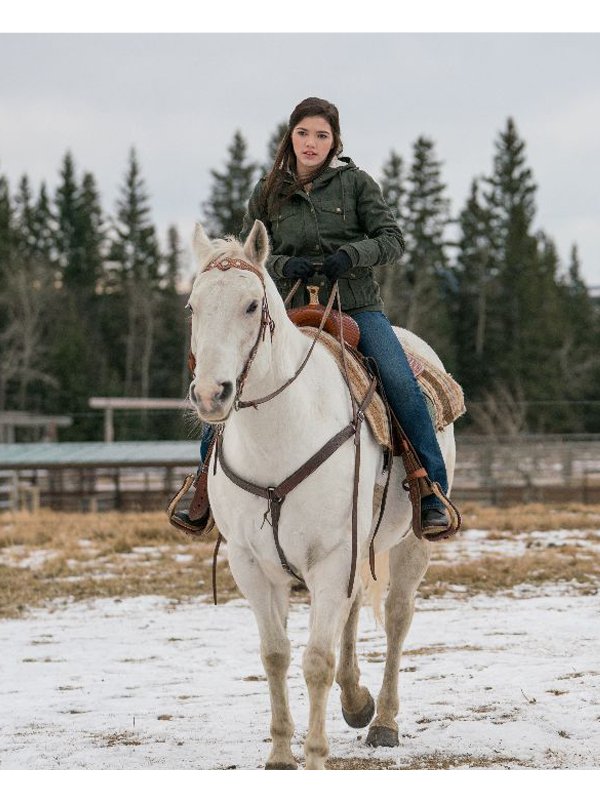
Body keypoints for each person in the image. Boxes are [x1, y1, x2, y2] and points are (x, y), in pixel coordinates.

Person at [172, 96, 451, 536]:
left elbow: (393, 240)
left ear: (334, 141)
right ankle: (203, 487)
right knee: (228, 377)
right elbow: (250, 256)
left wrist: (352, 254)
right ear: (291, 137)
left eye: (322, 135)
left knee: (399, 381)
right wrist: (282, 266)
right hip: (287, 309)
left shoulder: (357, 184)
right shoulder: (268, 190)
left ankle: (429, 489)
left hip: (354, 305)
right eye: (303, 133)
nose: (311, 143)